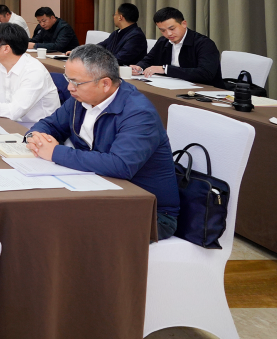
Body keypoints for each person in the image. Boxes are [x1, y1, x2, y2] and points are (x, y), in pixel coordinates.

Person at [26, 44, 181, 240]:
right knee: (38, 212)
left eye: (76, 82)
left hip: (149, 211)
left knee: (61, 225)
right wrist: (35, 136)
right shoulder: (80, 99)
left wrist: (55, 152)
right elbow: (50, 124)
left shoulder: (139, 113)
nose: (69, 88)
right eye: (68, 79)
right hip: (101, 191)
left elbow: (120, 165)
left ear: (105, 84)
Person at [133, 7, 223, 86]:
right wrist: (139, 67)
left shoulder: (204, 43)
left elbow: (205, 74)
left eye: (172, 29)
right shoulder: (163, 41)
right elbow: (148, 60)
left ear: (184, 24)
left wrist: (166, 69)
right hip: (170, 86)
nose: (168, 34)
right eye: (163, 30)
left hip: (203, 91)